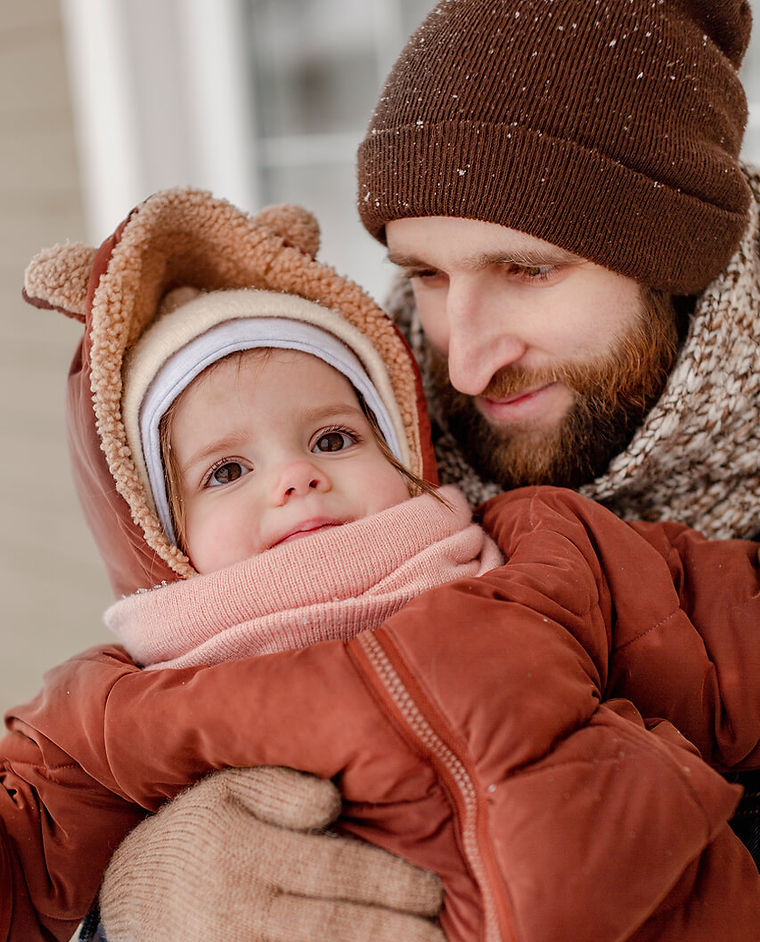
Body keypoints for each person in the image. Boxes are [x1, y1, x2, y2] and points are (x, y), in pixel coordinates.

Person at [99, 1, 760, 937]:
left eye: (528, 269)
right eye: (428, 275)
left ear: (676, 261)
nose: (466, 365)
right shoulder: (344, 424)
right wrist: (133, 901)